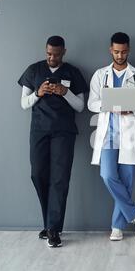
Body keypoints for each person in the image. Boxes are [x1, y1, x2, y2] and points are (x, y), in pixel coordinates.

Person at [18, 35, 88, 247]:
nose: (52, 58)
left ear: (63, 52)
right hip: (39, 131)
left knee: (59, 179)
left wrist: (65, 92)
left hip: (63, 133)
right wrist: (38, 93)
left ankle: (53, 230)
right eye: (49, 54)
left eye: (56, 55)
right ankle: (50, 223)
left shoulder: (73, 72)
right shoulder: (33, 71)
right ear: (45, 50)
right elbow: (23, 103)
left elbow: (80, 106)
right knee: (38, 175)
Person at [87, 32, 135, 241]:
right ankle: (134, 212)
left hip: (129, 134)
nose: (120, 55)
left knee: (126, 180)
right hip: (107, 134)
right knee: (107, 175)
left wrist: (130, 110)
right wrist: (112, 105)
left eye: (123, 51)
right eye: (116, 51)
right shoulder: (100, 75)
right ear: (110, 50)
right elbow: (91, 103)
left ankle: (117, 227)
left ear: (128, 50)